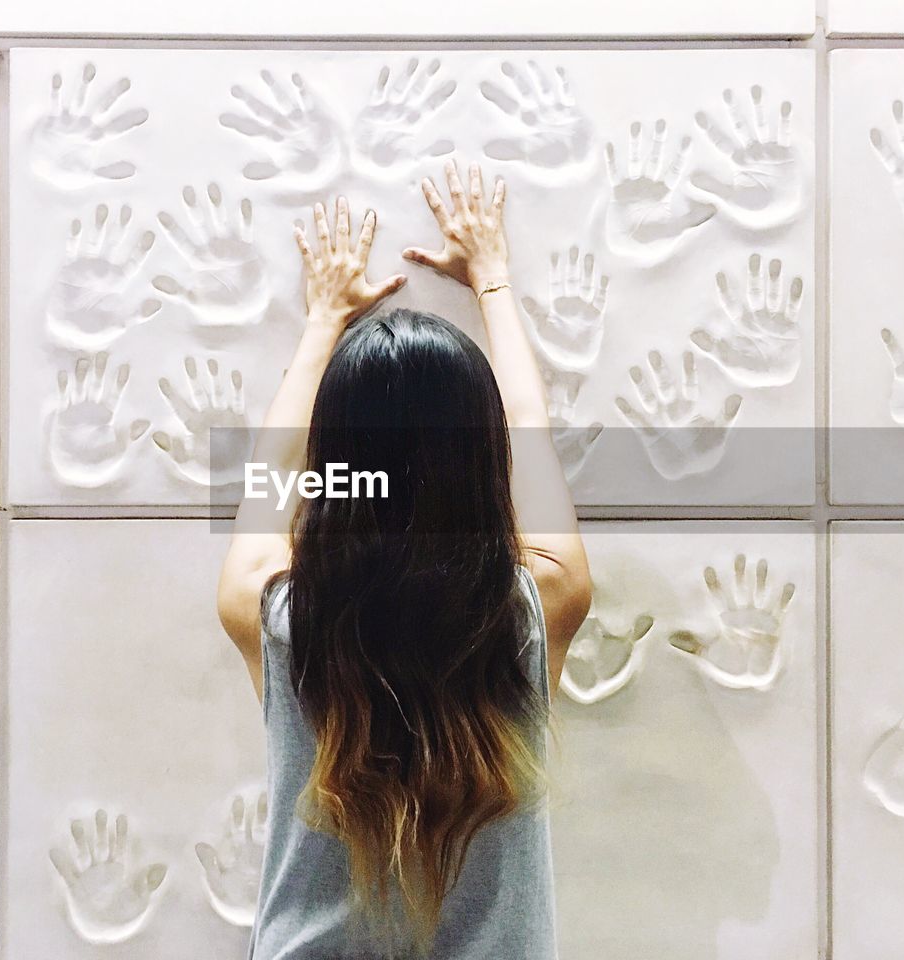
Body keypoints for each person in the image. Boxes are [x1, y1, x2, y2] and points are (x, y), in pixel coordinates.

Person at [217, 160, 592, 959]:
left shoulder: (278, 620)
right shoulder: (533, 609)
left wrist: (322, 323)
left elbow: (271, 476)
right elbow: (530, 428)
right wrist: (492, 279)